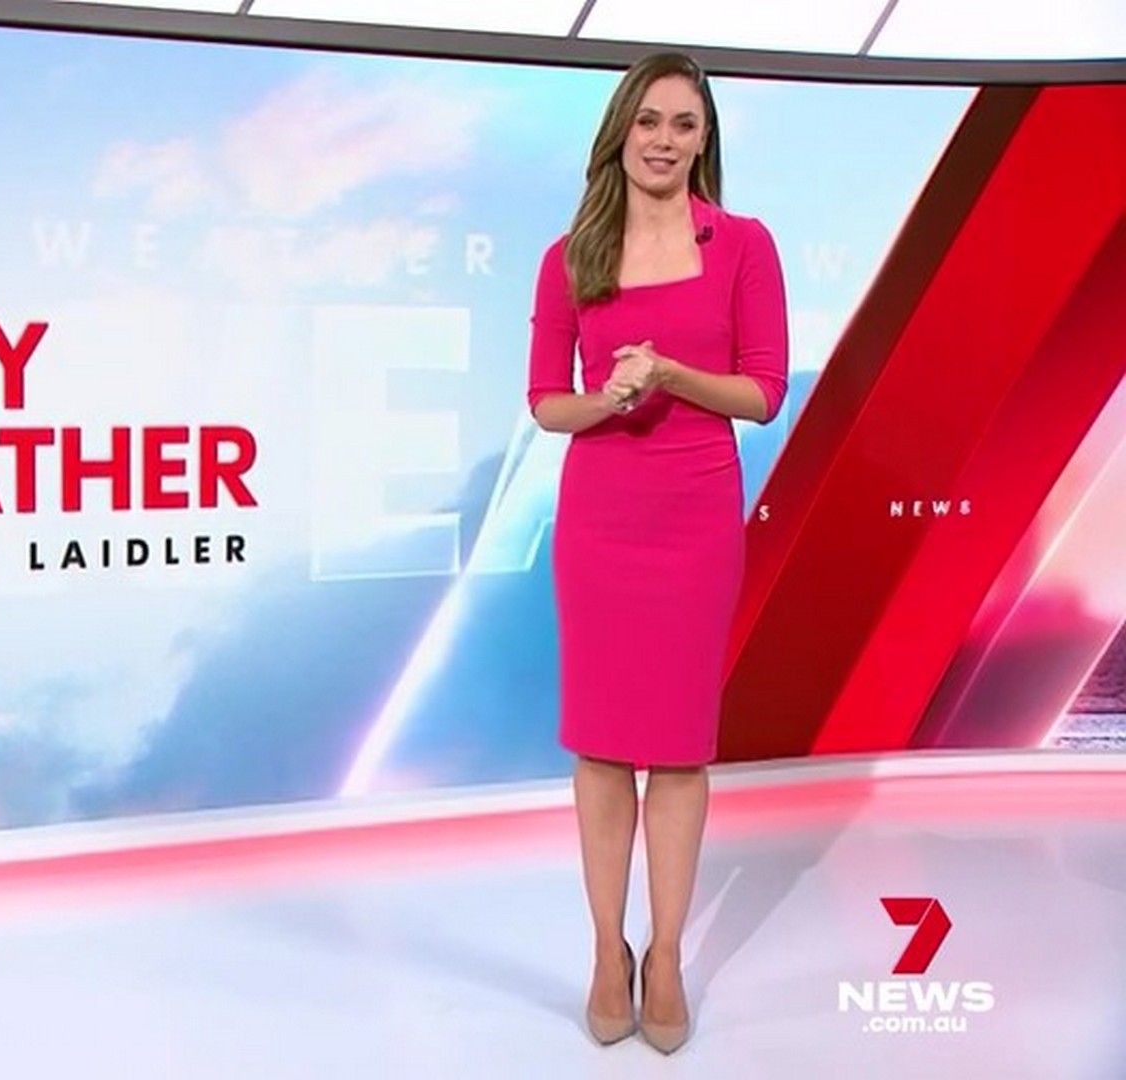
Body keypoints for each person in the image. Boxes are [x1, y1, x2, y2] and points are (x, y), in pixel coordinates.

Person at [525, 50, 789, 1054]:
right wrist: (608, 400)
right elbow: (546, 403)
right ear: (620, 132)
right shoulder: (571, 256)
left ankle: (667, 953)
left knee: (677, 746)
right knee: (601, 746)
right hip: (601, 518)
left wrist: (672, 375)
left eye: (684, 123)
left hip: (694, 516)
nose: (664, 140)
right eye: (649, 121)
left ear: (704, 139)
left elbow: (763, 393)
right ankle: (609, 951)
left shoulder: (743, 245)